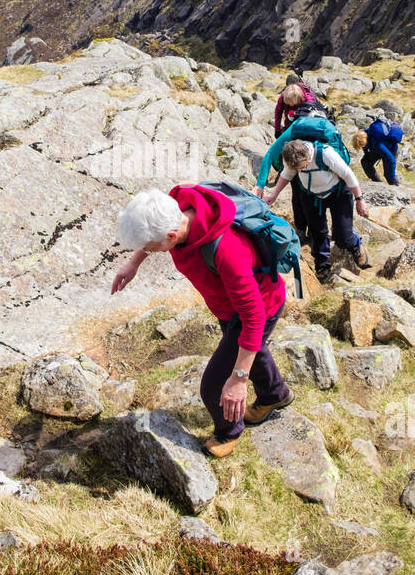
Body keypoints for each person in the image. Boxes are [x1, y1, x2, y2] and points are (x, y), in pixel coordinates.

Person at [113, 187, 292, 458]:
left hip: (258, 308)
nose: (151, 251)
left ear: (171, 236)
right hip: (228, 308)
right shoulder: (175, 207)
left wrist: (239, 380)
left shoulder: (226, 250)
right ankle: (274, 394)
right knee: (253, 352)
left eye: (151, 248)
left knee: (215, 385)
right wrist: (134, 263)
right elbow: (154, 234)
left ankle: (229, 431)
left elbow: (253, 317)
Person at [261, 138, 369, 282]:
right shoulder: (292, 157)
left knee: (343, 237)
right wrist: (273, 195)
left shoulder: (325, 154)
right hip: (311, 196)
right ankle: (322, 266)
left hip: (337, 193)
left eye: (302, 166)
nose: (299, 170)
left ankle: (354, 242)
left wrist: (359, 200)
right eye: (297, 169)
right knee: (317, 233)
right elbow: (286, 175)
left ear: (308, 156)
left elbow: (348, 175)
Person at [356, 117, 403, 186]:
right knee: (365, 162)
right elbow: (365, 148)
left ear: (364, 142)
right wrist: (367, 155)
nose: (361, 148)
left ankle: (396, 186)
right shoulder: (363, 135)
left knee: (388, 175)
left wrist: (392, 177)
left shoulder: (377, 145)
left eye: (362, 146)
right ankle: (378, 184)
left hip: (390, 150)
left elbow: (391, 160)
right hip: (377, 149)